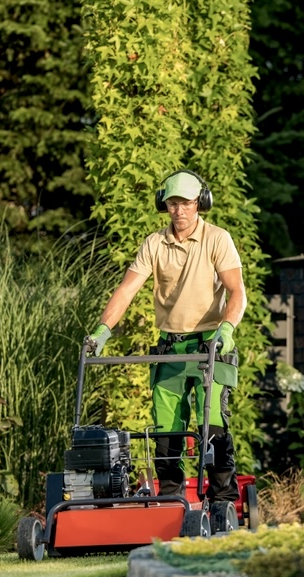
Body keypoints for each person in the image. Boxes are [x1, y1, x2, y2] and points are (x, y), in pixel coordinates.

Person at [85, 169, 247, 504]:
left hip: (209, 347)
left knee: (212, 426)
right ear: (164, 204)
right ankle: (172, 501)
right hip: (169, 349)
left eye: (186, 202)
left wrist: (227, 329)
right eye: (173, 203)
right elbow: (127, 290)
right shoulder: (154, 243)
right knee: (167, 434)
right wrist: (103, 330)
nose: (180, 210)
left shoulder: (218, 238)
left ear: (200, 203)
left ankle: (223, 502)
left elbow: (237, 292)